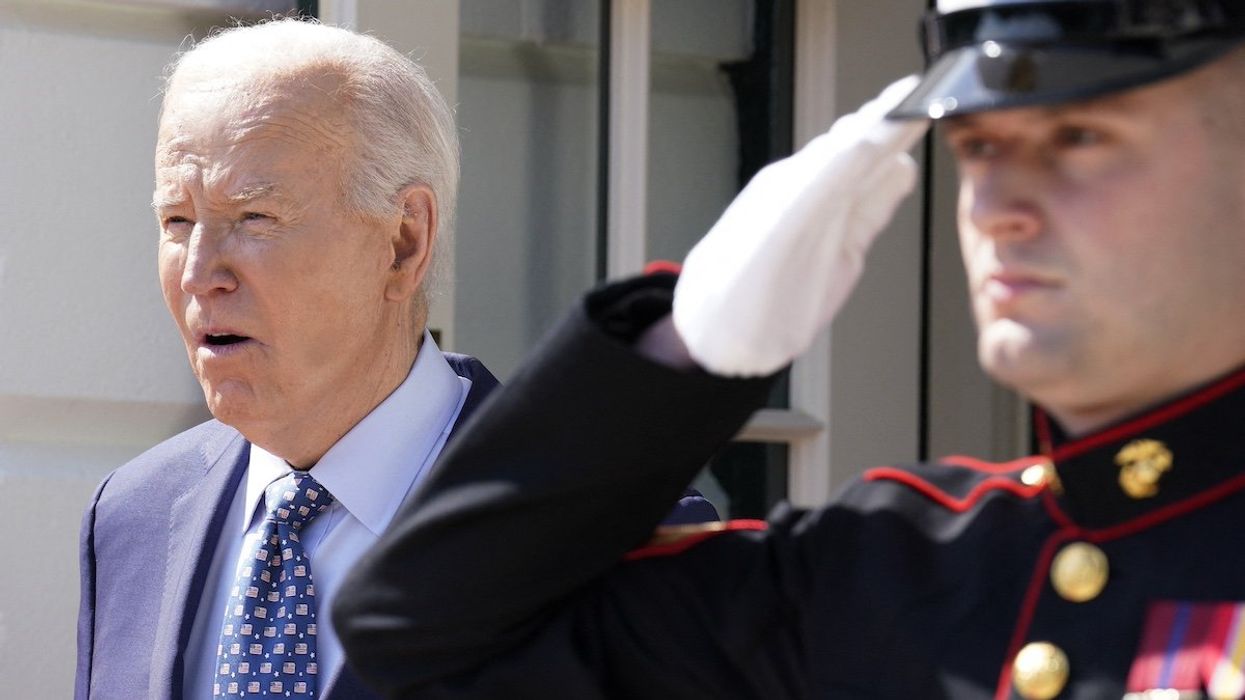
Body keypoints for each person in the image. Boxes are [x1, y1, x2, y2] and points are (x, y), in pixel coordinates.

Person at [333, 1, 1245, 698]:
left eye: (1078, 138)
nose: (998, 204)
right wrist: (686, 343)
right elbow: (417, 646)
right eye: (978, 147)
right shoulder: (898, 572)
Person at [72, 19, 500, 700]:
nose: (200, 273)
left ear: (403, 243)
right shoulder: (132, 515)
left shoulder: (605, 541)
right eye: (177, 221)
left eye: (254, 217)